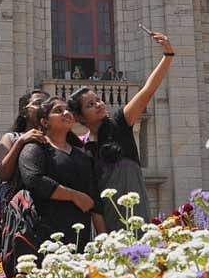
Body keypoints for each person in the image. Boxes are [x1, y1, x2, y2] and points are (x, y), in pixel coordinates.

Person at [67, 32, 174, 231]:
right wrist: (102, 236)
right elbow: (95, 201)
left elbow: (148, 90)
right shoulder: (85, 150)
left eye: (98, 99)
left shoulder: (120, 122)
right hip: (109, 219)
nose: (99, 104)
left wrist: (167, 55)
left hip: (136, 212)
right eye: (91, 104)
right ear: (80, 117)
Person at [17, 97, 105, 262]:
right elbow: (34, 180)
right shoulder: (35, 148)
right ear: (44, 121)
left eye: (68, 110)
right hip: (44, 237)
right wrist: (74, 196)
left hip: (80, 238)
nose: (66, 113)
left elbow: (94, 199)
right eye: (58, 110)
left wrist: (104, 240)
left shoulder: (82, 155)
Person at [0, 90, 49, 266]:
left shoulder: (53, 140)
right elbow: (4, 173)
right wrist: (21, 142)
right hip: (15, 210)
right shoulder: (11, 138)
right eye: (39, 103)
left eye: (48, 103)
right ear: (24, 111)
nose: (44, 107)